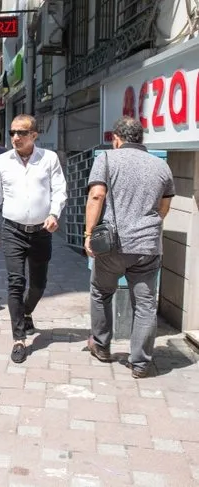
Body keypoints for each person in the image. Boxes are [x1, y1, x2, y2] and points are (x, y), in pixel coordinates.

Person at [84, 116, 175, 379]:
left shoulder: (107, 159)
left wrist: (89, 233)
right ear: (141, 139)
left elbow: (97, 195)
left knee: (101, 292)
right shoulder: (161, 167)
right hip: (147, 247)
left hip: (112, 245)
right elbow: (164, 207)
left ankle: (101, 346)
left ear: (116, 138)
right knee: (145, 304)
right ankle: (140, 364)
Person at [0, 114, 67, 363]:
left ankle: (26, 312)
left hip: (42, 231)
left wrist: (54, 213)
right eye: (12, 133)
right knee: (15, 282)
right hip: (12, 231)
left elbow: (60, 189)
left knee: (39, 285)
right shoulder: (2, 161)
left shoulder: (48, 158)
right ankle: (19, 338)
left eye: (21, 133)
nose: (15, 138)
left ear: (34, 135)